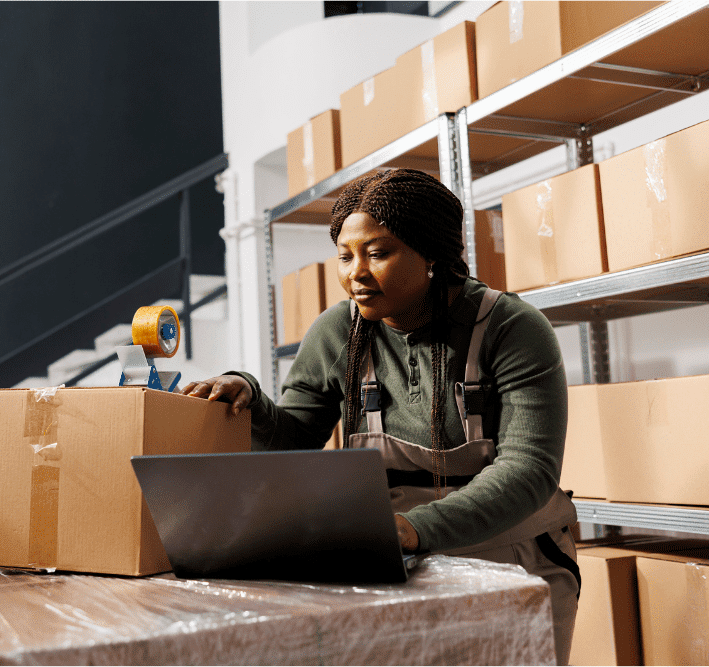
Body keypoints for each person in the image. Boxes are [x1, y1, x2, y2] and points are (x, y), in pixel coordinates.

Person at [181, 168, 580, 665]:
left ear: (432, 253)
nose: (356, 273)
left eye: (378, 252)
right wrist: (249, 397)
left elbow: (528, 470)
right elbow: (295, 438)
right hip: (395, 560)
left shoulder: (513, 329)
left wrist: (414, 529)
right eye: (346, 256)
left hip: (512, 558)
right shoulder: (337, 333)